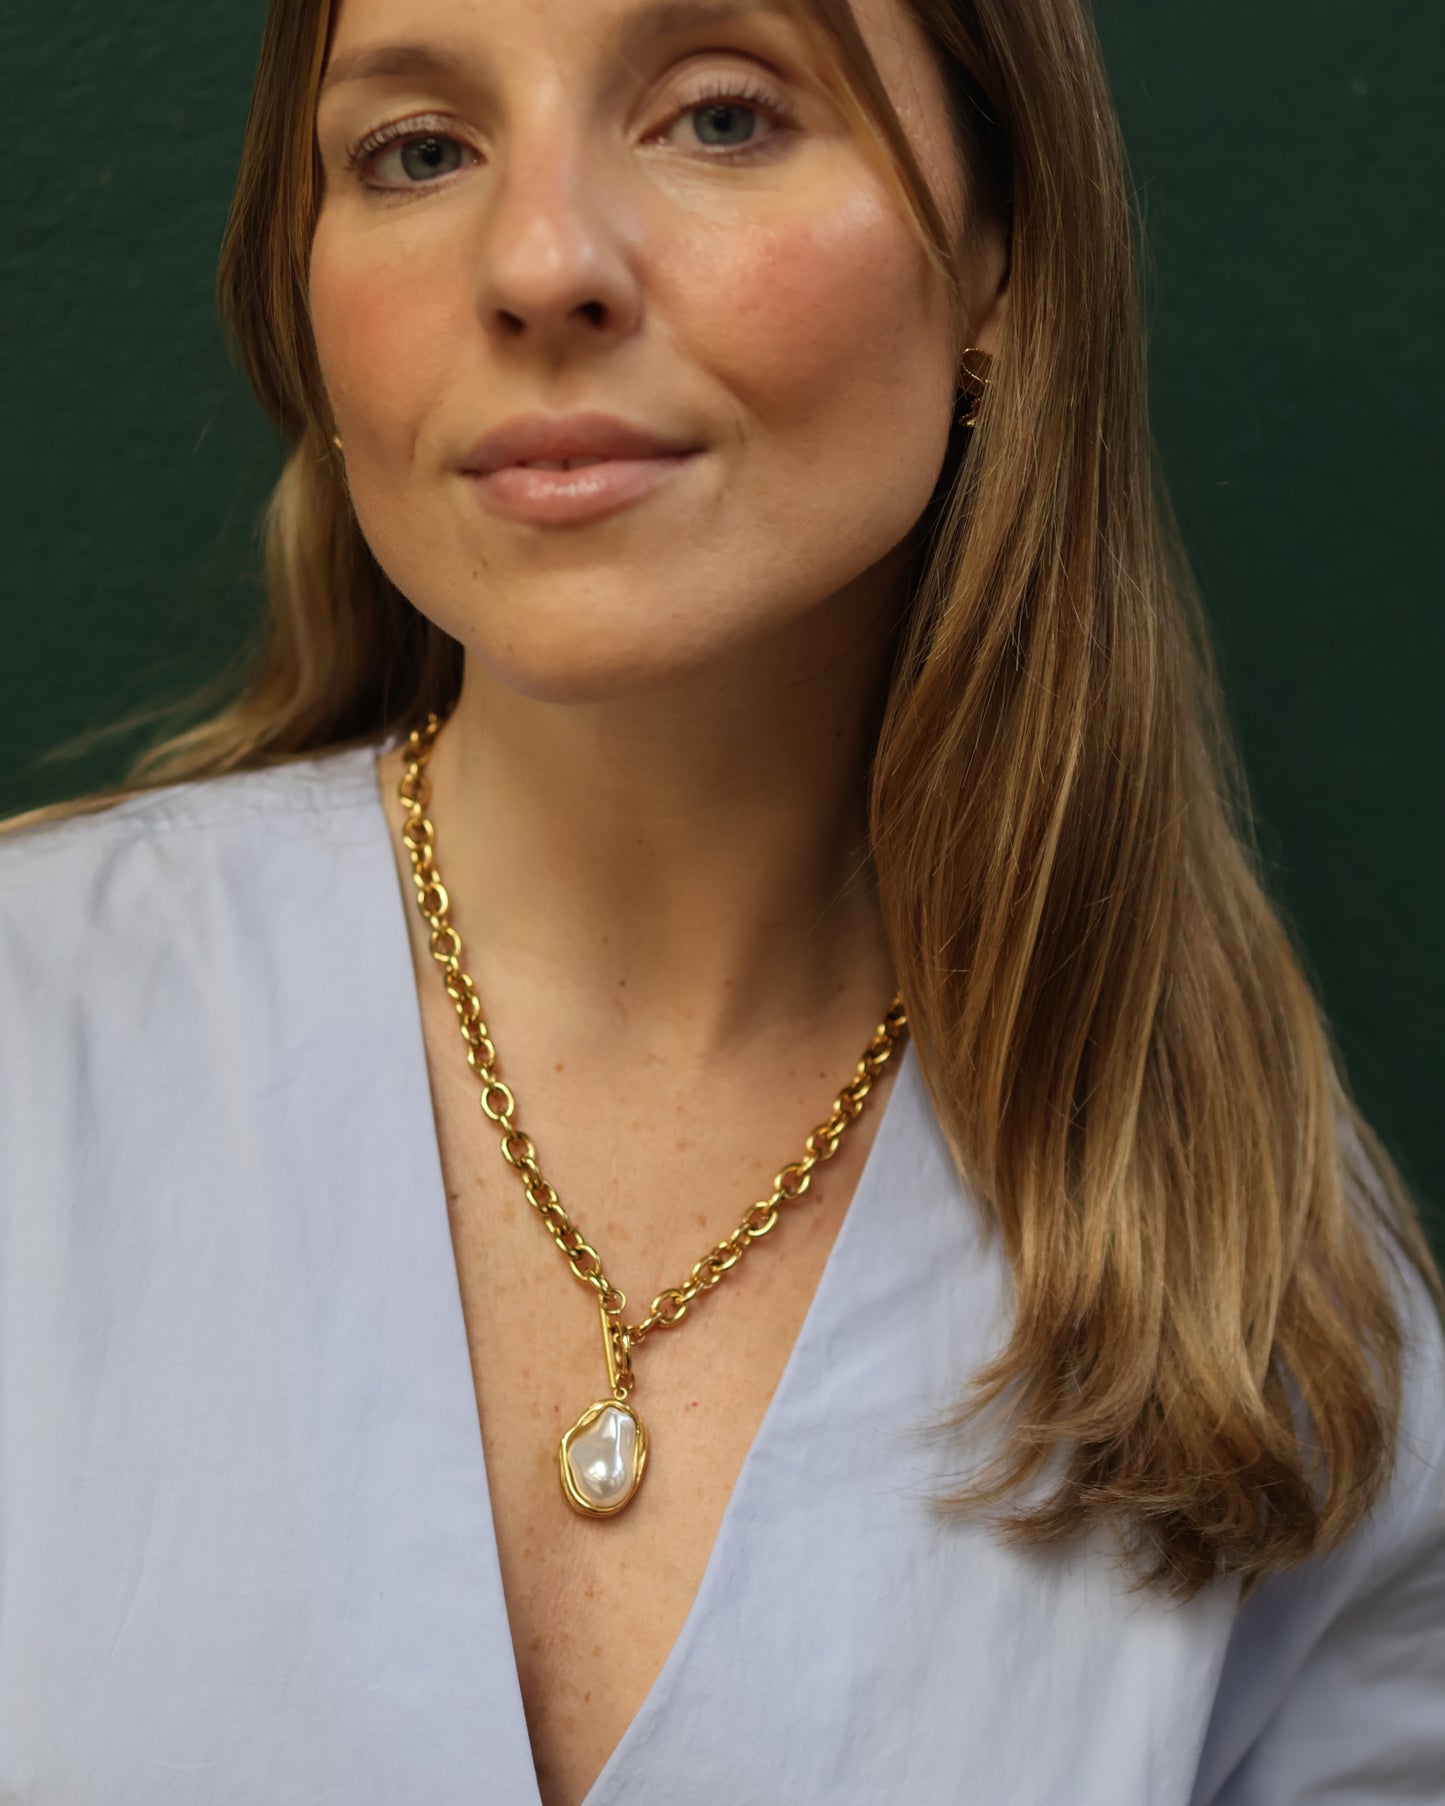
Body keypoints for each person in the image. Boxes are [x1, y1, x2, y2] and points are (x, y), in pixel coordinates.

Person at [1, 0, 1441, 1800]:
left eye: (723, 117)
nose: (535, 262)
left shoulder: (1268, 1297)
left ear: (1000, 251)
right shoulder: (29, 1061)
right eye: (417, 150)